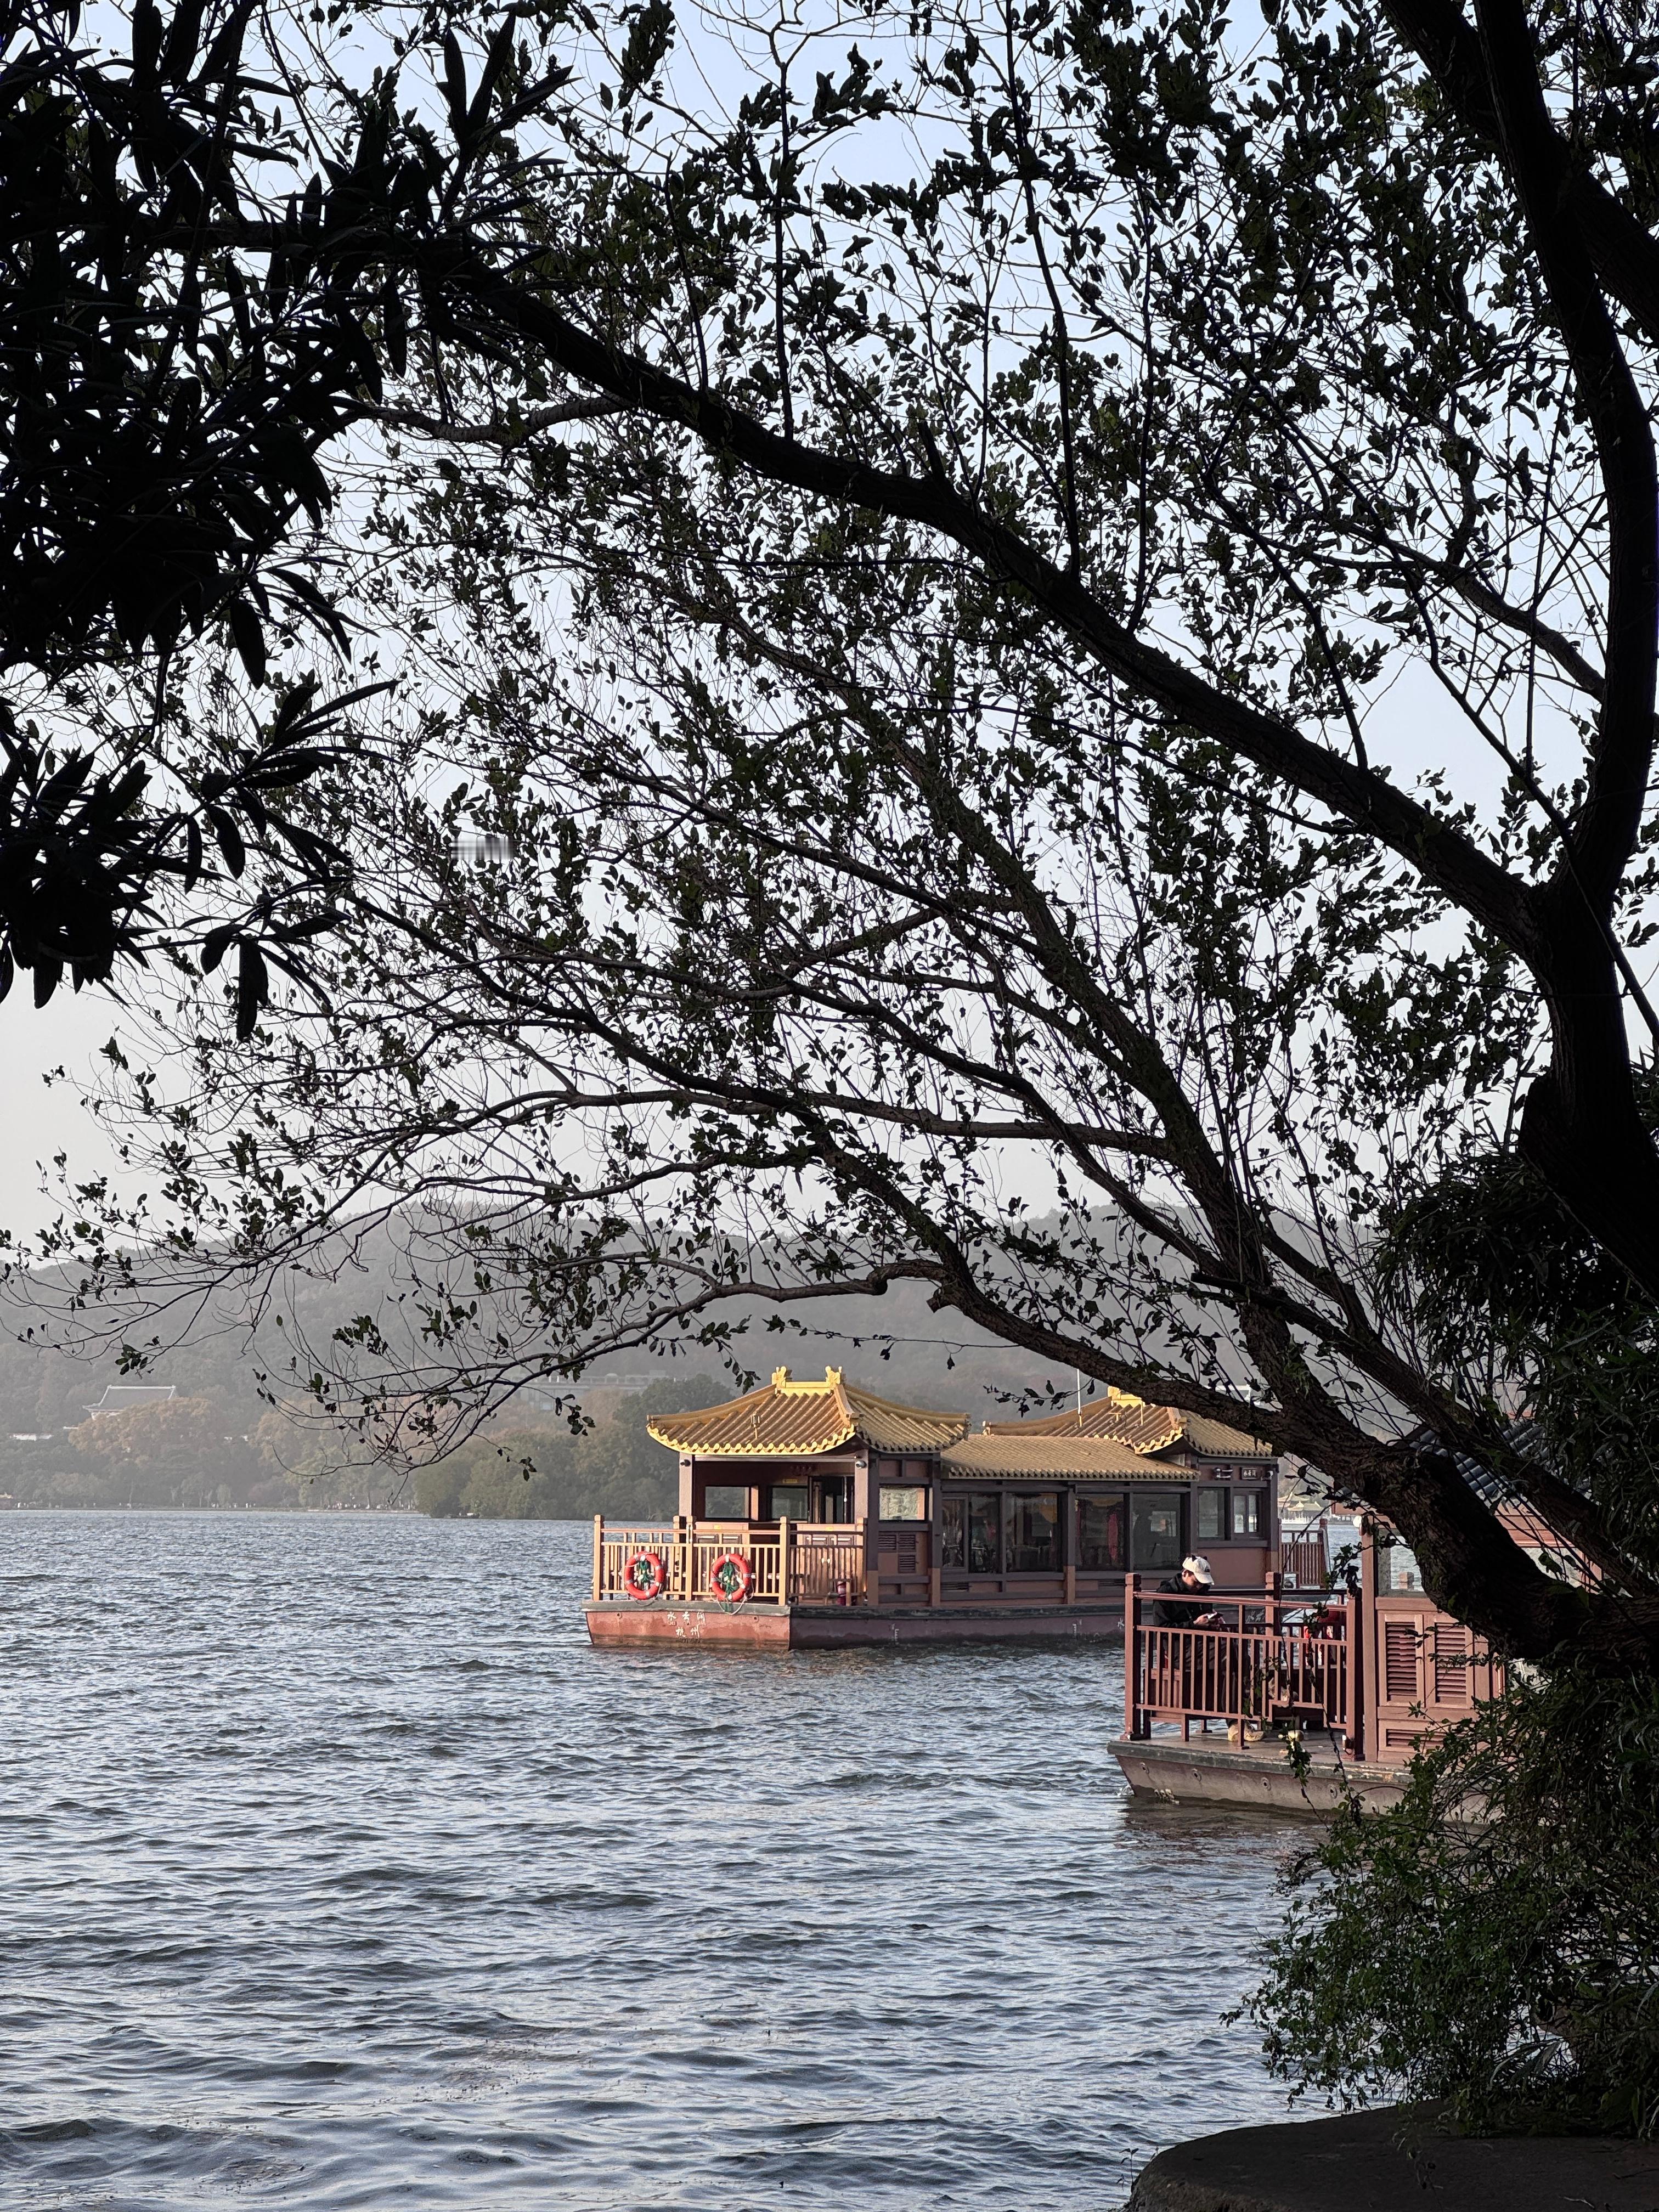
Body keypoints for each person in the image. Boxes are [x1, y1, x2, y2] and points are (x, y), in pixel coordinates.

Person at [1153, 1554, 1221, 1627]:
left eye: (1203, 1583)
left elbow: (1206, 1615)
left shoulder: (1203, 1591)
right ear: (1185, 1573)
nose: (1199, 1587)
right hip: (1178, 1635)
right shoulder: (1165, 1593)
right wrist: (1194, 1624)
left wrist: (1213, 1620)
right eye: (1196, 1582)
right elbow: (1162, 1626)